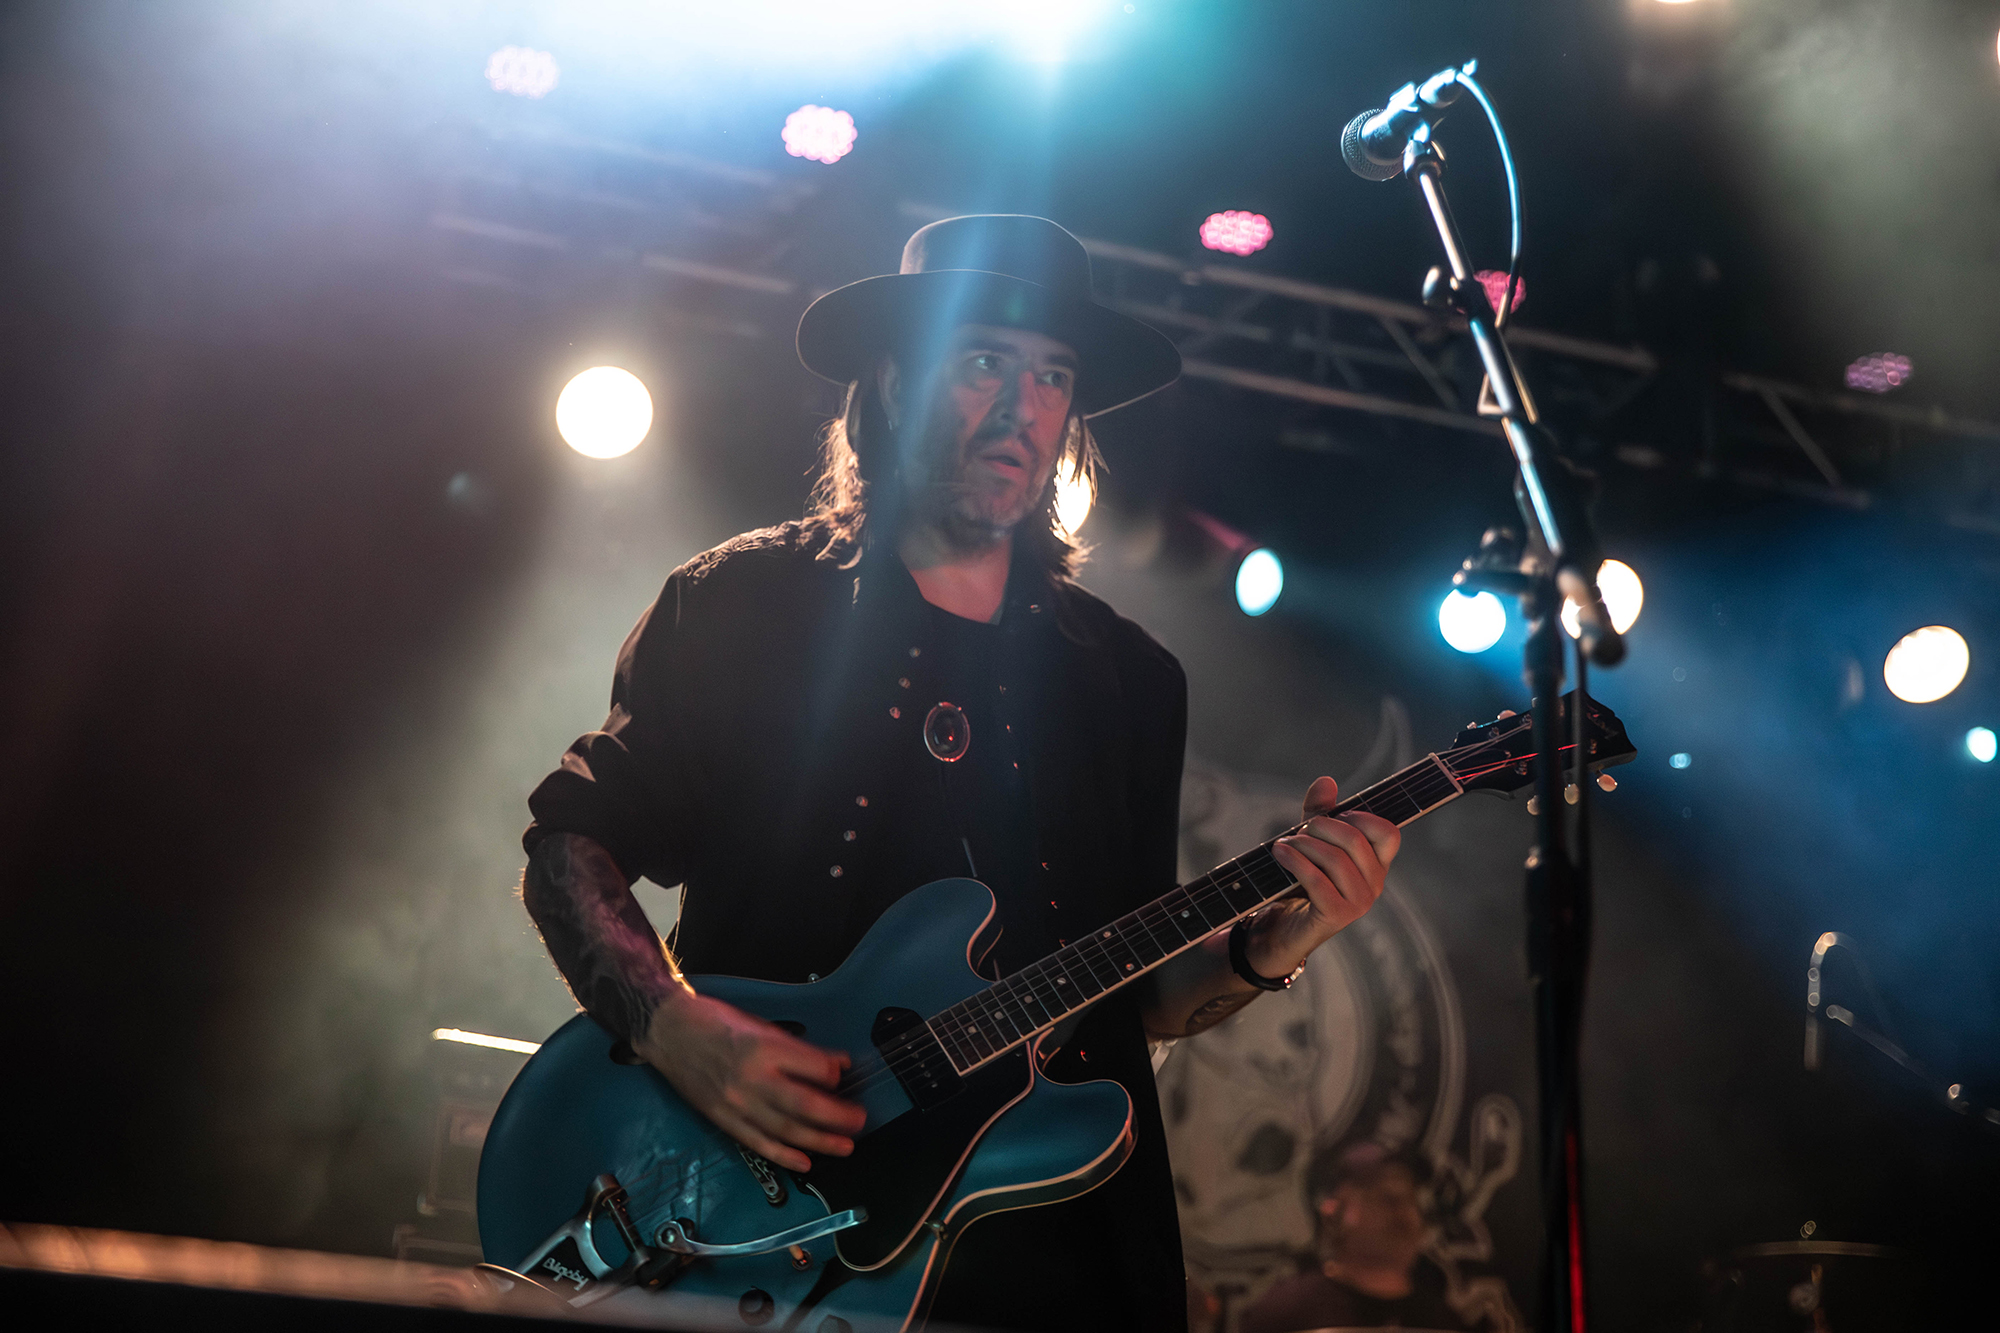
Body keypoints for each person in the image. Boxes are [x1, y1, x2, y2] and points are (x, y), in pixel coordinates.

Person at [517, 214, 1402, 1332]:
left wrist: (1274, 941)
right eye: (984, 359)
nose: (1022, 405)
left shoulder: (1128, 679)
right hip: (768, 1242)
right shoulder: (743, 607)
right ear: (893, 380)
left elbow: (1139, 998)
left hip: (1063, 1267)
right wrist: (673, 1027)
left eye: (1052, 374)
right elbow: (570, 845)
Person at [1237, 1141, 1483, 1333]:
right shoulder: (1284, 1314)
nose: (1402, 1212)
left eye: (1409, 1197)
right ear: (1333, 1214)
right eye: (1384, 1197)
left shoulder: (1442, 1320)